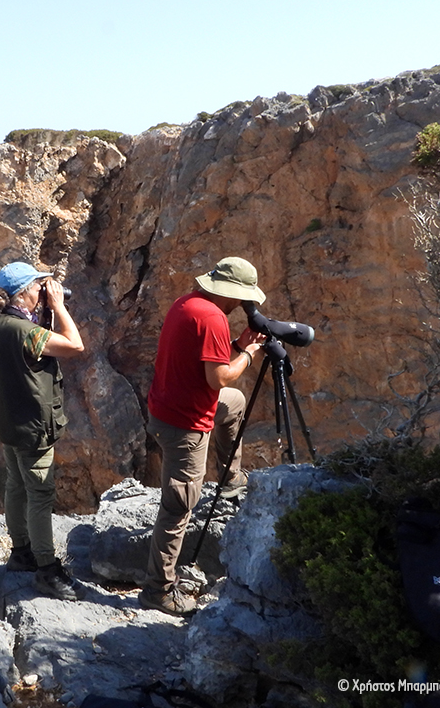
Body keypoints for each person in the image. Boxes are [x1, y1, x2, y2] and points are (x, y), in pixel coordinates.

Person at [140, 256, 267, 616]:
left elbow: (209, 367)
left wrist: (237, 344)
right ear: (235, 294)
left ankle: (229, 479)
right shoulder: (213, 317)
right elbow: (220, 377)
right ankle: (158, 590)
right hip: (185, 424)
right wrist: (248, 352)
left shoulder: (188, 303)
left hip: (168, 406)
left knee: (235, 403)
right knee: (179, 505)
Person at [0, 261, 84, 601]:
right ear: (23, 292)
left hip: (8, 421)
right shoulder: (23, 331)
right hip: (31, 426)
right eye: (38, 287)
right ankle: (46, 569)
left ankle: (20, 552)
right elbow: (74, 345)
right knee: (39, 494)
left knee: (15, 484)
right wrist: (60, 306)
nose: (43, 291)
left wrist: (46, 309)